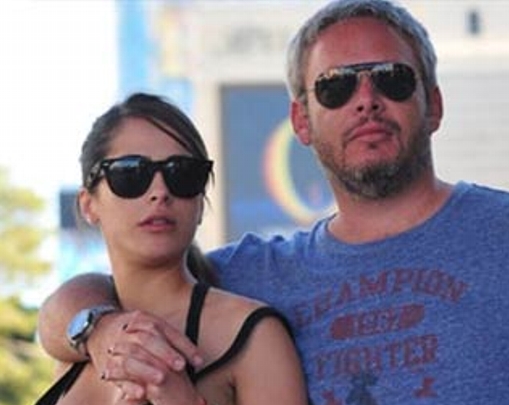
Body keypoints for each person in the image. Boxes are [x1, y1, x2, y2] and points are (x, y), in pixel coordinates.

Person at [38, 1, 509, 404]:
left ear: (433, 104)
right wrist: (100, 326)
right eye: (336, 86)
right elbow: (87, 298)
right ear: (301, 121)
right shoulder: (252, 276)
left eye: (392, 79)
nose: (366, 99)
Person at [34, 92, 307, 405]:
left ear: (201, 204)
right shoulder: (80, 342)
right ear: (88, 204)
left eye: (183, 173)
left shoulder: (253, 335)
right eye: (131, 173)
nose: (160, 192)